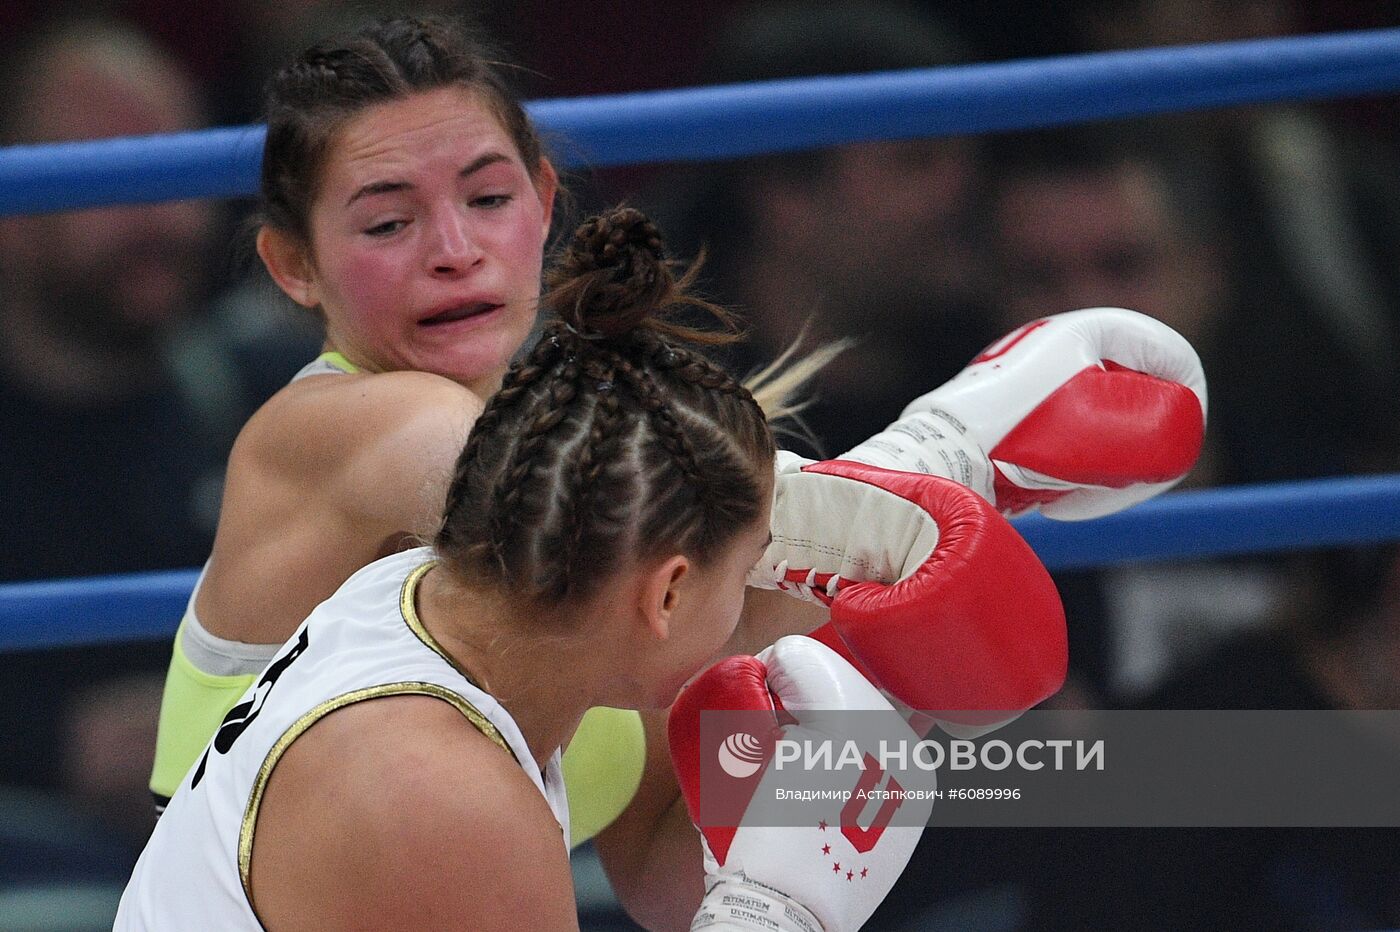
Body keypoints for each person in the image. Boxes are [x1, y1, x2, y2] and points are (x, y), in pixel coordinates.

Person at [146, 15, 1210, 928]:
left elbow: (665, 871)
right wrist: (942, 460)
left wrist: (802, 823)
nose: (453, 248)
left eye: (488, 197)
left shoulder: (588, 576)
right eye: (388, 220)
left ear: (546, 199)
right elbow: (589, 500)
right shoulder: (345, 430)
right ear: (293, 264)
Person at [118, 205, 1000, 931]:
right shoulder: (444, 795)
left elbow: (663, 881)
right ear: (667, 593)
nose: (752, 604)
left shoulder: (425, 601)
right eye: (748, 572)